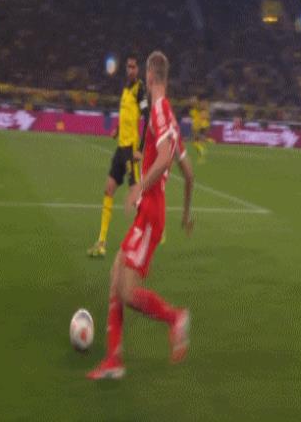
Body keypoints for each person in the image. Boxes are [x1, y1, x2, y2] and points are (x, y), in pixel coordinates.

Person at [87, 51, 194, 380]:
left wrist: (139, 189)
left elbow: (164, 159)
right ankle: (113, 360)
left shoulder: (159, 109)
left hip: (149, 211)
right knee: (115, 276)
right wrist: (185, 215)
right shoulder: (171, 117)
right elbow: (189, 174)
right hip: (152, 211)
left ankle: (175, 318)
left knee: (127, 291)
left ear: (150, 75)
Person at [87, 54, 149, 258]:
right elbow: (126, 115)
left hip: (131, 150)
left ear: (138, 69)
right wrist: (117, 129)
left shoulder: (140, 89)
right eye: (128, 67)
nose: (130, 70)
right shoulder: (125, 88)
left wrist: (140, 148)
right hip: (120, 148)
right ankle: (101, 242)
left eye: (133, 67)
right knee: (108, 189)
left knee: (135, 197)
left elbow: (147, 117)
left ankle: (148, 232)